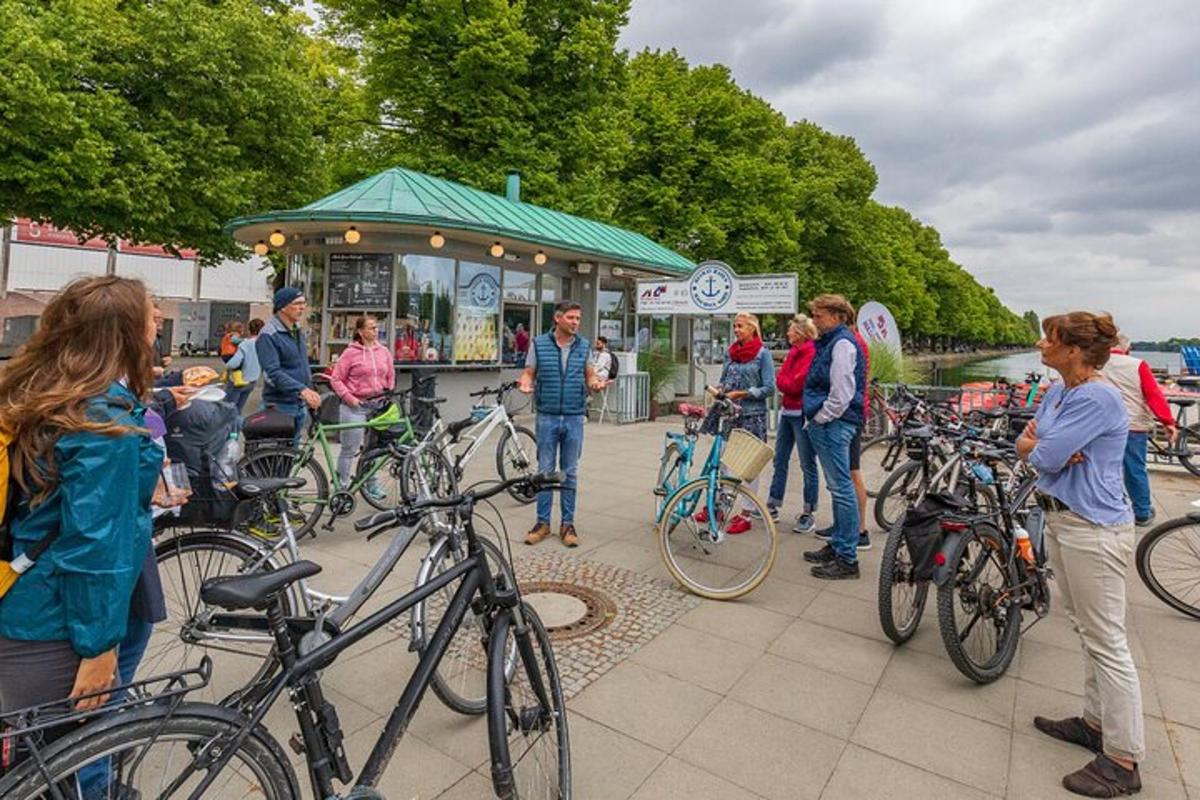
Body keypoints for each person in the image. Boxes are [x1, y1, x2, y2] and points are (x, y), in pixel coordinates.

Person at [0, 276, 184, 764]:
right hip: (54, 621)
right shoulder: (103, 422)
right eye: (150, 316)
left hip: (19, 596)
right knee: (61, 764)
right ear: (125, 332)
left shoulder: (40, 391)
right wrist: (100, 647)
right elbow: (96, 546)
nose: (156, 324)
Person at [1016, 312, 1144, 797]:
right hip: (1065, 519)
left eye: (1050, 338)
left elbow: (1042, 455)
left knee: (1107, 640)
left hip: (1093, 527)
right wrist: (1039, 443)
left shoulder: (1095, 396)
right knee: (1086, 628)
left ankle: (1123, 759)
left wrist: (1040, 445)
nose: (1040, 343)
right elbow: (1029, 443)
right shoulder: (1062, 392)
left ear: (1073, 350)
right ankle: (1096, 723)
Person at [518, 300, 605, 548]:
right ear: (558, 318)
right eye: (571, 318)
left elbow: (590, 375)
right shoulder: (539, 343)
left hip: (574, 416)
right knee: (545, 471)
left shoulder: (584, 345)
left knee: (570, 472)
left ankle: (567, 524)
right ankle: (542, 523)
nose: (576, 322)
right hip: (546, 415)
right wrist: (525, 382)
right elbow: (529, 372)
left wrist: (596, 383)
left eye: (578, 318)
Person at [802, 294, 866, 580]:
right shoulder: (834, 341)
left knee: (841, 488)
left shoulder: (841, 344)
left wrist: (820, 416)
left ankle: (847, 558)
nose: (814, 319)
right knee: (839, 487)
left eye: (819, 314)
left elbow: (842, 393)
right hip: (832, 422)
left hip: (834, 423)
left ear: (837, 316)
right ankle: (840, 544)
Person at [700, 312, 775, 534]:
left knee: (748, 466)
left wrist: (744, 393)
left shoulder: (763, 354)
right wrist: (721, 390)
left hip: (752, 415)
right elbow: (725, 380)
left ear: (752, 328)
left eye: (740, 326)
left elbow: (769, 388)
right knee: (721, 460)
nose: (736, 330)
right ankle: (719, 506)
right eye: (735, 326)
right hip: (728, 414)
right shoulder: (731, 353)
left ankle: (746, 513)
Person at [1101, 332, 1176, 527]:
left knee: (1103, 468)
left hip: (1103, 426)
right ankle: (1142, 511)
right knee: (1135, 468)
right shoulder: (1137, 365)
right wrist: (1168, 421)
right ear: (1127, 348)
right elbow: (1153, 395)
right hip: (1132, 425)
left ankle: (1108, 507)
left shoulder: (1096, 364)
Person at [815, 321, 873, 549]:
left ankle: (858, 531)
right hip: (850, 413)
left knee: (850, 474)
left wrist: (822, 414)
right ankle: (844, 528)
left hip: (847, 415)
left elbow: (843, 386)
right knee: (845, 476)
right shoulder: (851, 340)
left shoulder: (848, 342)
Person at [328, 315, 396, 500]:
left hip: (377, 406)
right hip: (355, 406)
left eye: (376, 327)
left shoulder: (383, 351)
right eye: (371, 328)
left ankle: (370, 484)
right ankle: (342, 487)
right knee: (349, 448)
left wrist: (388, 393)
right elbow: (336, 379)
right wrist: (350, 399)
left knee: (373, 449)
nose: (375, 331)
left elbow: (390, 374)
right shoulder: (351, 353)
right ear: (360, 331)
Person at [762, 314, 819, 530]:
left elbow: (794, 385)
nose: (788, 334)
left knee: (807, 464)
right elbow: (783, 380)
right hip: (787, 411)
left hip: (802, 413)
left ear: (801, 333)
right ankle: (773, 503)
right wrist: (786, 382)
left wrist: (785, 382)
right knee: (780, 459)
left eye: (792, 330)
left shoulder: (811, 353)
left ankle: (808, 511)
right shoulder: (794, 352)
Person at [257, 287, 320, 443]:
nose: (302, 308)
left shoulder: (297, 330)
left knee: (291, 457)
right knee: (275, 457)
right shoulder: (268, 334)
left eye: (303, 303)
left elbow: (302, 365)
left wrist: (309, 389)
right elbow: (272, 372)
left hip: (298, 404)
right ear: (282, 307)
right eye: (297, 304)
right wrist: (302, 389)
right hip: (279, 406)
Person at [224, 318, 264, 412]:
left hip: (239, 380)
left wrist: (227, 365)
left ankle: (227, 426)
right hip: (253, 380)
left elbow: (233, 364)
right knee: (239, 408)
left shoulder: (246, 344)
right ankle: (237, 425)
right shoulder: (264, 343)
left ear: (249, 330)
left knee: (227, 408)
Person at [151, 302, 172, 380]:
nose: (161, 321)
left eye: (161, 318)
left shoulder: (159, 338)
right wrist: (151, 370)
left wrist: (164, 362)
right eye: (157, 318)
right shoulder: (139, 340)